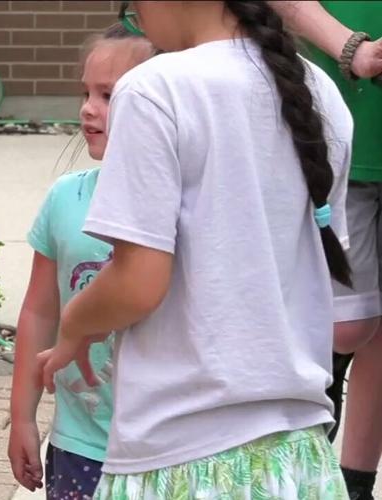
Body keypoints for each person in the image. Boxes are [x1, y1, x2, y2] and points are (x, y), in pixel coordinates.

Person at [37, 1, 353, 496]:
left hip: (179, 454)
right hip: (299, 460)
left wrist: (75, 323)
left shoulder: (155, 88)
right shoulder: (320, 89)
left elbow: (137, 283)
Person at [8, 23, 154, 499]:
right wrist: (24, 417)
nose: (89, 108)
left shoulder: (179, 210)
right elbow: (39, 311)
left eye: (109, 95)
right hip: (80, 442)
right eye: (86, 92)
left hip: (164, 446)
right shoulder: (64, 200)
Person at [271, 2, 382, 497]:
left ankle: (355, 483)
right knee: (343, 326)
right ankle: (302, 463)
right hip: (340, 131)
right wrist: (351, 48)